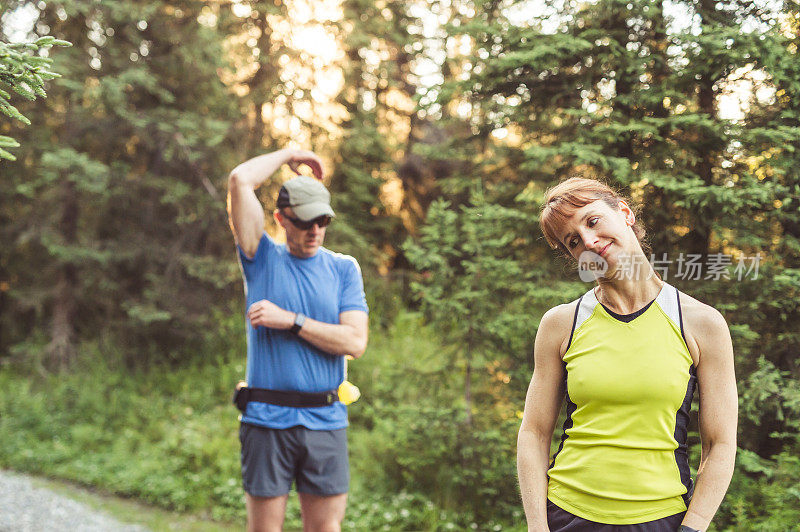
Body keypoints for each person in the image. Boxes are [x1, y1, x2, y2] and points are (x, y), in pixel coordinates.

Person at [517, 177, 737, 532]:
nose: (589, 241)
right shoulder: (561, 324)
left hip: (661, 520)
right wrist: (537, 527)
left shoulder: (701, 324)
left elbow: (719, 445)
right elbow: (534, 434)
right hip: (567, 516)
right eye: (573, 241)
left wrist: (692, 527)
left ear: (625, 213)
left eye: (592, 221)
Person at [227, 148, 369, 532]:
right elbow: (240, 179)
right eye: (306, 221)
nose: (315, 230)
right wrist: (290, 152)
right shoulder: (260, 257)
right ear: (281, 219)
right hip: (265, 422)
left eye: (323, 220)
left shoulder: (343, 269)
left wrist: (291, 321)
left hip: (325, 421)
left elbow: (355, 342)